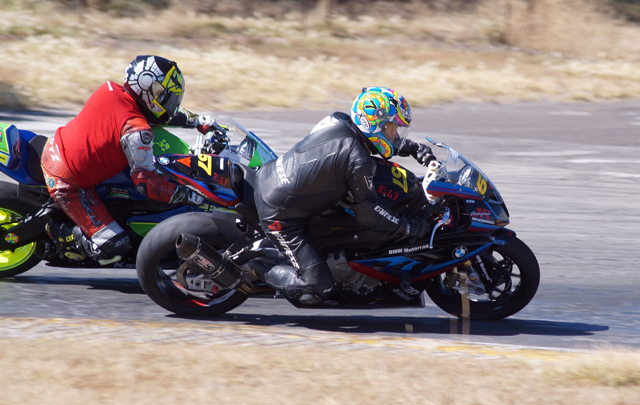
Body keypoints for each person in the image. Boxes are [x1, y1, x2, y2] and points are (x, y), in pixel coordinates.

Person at [251, 86, 434, 305]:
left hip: (271, 173)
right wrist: (411, 228)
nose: (395, 135)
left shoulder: (337, 120)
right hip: (279, 213)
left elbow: (372, 145)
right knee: (317, 287)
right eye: (392, 128)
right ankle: (252, 268)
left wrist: (412, 148)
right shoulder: (359, 161)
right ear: (373, 124)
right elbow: (370, 215)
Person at [40, 55, 218, 265]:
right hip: (67, 181)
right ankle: (60, 231)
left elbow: (160, 115)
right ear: (146, 88)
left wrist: (197, 121)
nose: (169, 103)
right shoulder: (136, 131)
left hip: (56, 145)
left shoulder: (111, 90)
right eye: (164, 95)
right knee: (114, 246)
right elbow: (148, 185)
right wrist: (189, 195)